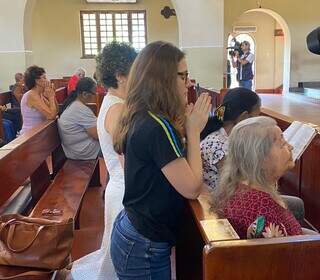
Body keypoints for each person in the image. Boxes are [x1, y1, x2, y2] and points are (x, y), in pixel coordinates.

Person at [110, 41, 211, 279]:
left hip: (135, 231)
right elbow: (192, 188)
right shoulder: (156, 126)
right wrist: (194, 130)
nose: (189, 83)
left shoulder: (144, 115)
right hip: (142, 244)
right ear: (163, 79)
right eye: (183, 76)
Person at [71, 41, 137, 280]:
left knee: (115, 255)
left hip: (118, 187)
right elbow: (128, 161)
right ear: (120, 76)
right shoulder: (118, 109)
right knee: (123, 260)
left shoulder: (112, 102)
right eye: (135, 71)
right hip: (125, 190)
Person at [200, 88, 305, 224]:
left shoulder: (226, 136)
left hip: (235, 199)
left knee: (295, 204)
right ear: (244, 117)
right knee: (295, 205)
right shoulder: (217, 144)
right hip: (230, 203)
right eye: (257, 115)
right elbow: (246, 180)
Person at [211, 116, 303, 239]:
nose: (290, 147)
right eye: (282, 144)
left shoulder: (239, 185)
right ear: (260, 158)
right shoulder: (264, 211)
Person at [200, 87, 261, 189]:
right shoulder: (217, 144)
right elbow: (241, 183)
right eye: (256, 118)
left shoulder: (230, 136)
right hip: (222, 200)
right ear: (244, 117)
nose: (258, 124)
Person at [58, 77, 100, 160]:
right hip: (82, 150)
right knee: (115, 149)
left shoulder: (74, 104)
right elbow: (97, 135)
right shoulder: (79, 109)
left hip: (74, 148)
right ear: (84, 94)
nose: (95, 96)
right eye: (94, 93)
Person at [20, 66, 58, 135]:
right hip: (29, 135)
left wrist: (53, 94)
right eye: (44, 77)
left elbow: (56, 112)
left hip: (39, 132)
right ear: (37, 81)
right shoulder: (31, 94)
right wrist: (51, 97)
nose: (47, 80)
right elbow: (51, 116)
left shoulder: (40, 94)